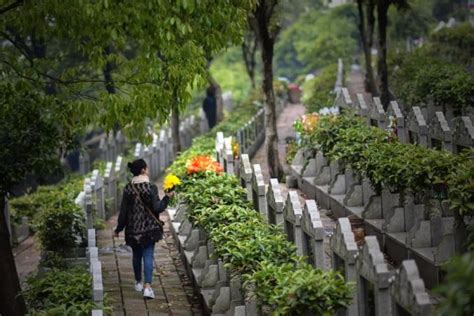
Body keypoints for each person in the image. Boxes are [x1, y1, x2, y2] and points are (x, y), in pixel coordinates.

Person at [114, 159, 174, 299]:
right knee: (148, 255)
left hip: (133, 230)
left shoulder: (128, 188)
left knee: (136, 256)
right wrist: (167, 197)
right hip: (149, 230)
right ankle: (148, 287)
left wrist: (119, 228)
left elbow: (123, 212)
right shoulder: (150, 187)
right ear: (143, 170)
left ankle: (138, 282)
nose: (148, 170)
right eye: (146, 168)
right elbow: (157, 207)